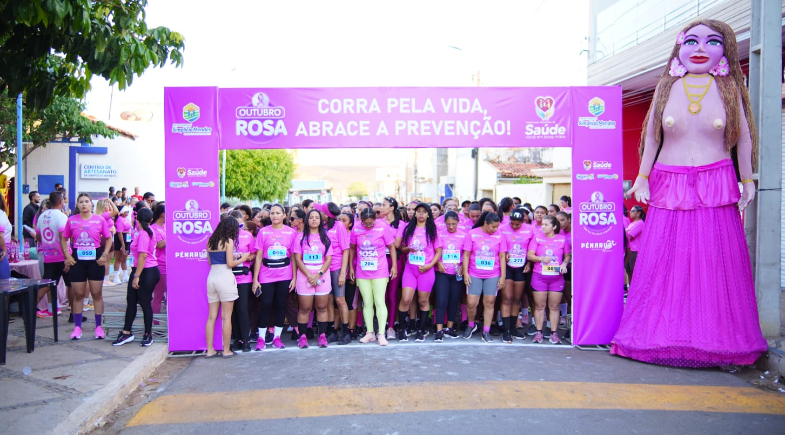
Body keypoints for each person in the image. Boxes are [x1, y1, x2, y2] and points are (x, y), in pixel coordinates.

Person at [613, 19, 767, 367]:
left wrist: (747, 179)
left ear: (725, 49)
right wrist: (641, 176)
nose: (700, 48)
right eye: (691, 41)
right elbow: (652, 136)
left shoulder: (729, 90)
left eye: (711, 42)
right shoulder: (666, 89)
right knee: (664, 263)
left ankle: (716, 340)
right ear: (679, 47)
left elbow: (743, 137)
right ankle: (658, 336)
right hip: (669, 180)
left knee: (714, 262)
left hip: (716, 179)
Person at [62, 193, 112, 340]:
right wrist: (68, 255)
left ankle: (98, 327)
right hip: (77, 261)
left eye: (86, 202)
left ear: (91, 204)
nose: (84, 204)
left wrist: (104, 255)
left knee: (96, 294)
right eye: (81, 202)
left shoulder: (100, 220)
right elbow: (64, 239)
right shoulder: (71, 221)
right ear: (77, 205)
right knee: (78, 294)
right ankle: (77, 327)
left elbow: (109, 238)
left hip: (96, 260)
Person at [112, 208, 161, 347]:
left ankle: (147, 334)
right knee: (131, 301)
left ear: (136, 219)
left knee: (145, 302)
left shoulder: (145, 234)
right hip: (142, 270)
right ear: (151, 220)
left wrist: (136, 276)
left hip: (146, 271)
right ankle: (126, 332)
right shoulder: (145, 232)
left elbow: (143, 256)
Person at [201, 215, 248, 358]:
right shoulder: (229, 241)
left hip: (212, 277)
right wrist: (243, 258)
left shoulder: (210, 240)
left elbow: (211, 261)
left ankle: (210, 350)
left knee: (211, 317)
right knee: (226, 317)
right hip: (225, 278)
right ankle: (226, 350)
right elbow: (229, 264)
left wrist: (233, 256)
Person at [348, 207, 396, 346]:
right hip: (362, 271)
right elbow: (352, 248)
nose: (368, 226)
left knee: (379, 301)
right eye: (366, 223)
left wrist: (394, 266)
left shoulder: (382, 227)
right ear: (361, 220)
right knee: (367, 302)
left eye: (371, 223)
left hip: (380, 271)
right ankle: (370, 333)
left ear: (375, 219)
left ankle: (381, 333)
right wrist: (351, 267)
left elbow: (392, 247)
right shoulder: (356, 229)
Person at [252, 204, 297, 351]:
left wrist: (294, 278)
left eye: (278, 213)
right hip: (266, 275)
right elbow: (258, 257)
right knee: (265, 305)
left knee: (280, 305)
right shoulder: (263, 232)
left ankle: (277, 337)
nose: (275, 216)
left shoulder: (291, 232)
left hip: (285, 275)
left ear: (284, 215)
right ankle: (261, 338)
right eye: (272, 213)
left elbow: (295, 258)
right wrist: (255, 279)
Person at [396, 202, 441, 342]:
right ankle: (402, 329)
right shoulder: (408, 228)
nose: (421, 214)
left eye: (424, 211)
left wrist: (430, 266)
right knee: (406, 299)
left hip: (426, 270)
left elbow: (438, 251)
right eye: (418, 211)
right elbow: (402, 249)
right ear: (415, 214)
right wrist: (408, 249)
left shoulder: (433, 230)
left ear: (428, 215)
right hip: (410, 269)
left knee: (423, 300)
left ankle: (421, 330)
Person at [462, 211, 507, 342]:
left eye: (497, 226)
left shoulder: (500, 236)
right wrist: (465, 273)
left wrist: (503, 276)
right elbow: (466, 255)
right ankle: (471, 325)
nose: (495, 229)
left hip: (493, 274)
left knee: (489, 302)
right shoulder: (473, 233)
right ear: (485, 223)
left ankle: (486, 331)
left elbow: (502, 256)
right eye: (493, 226)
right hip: (474, 274)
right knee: (471, 303)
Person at [527, 215, 571, 344]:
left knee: (554, 306)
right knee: (540, 306)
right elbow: (530, 255)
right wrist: (540, 259)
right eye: (543, 224)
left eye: (546, 224)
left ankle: (553, 333)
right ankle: (539, 332)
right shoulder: (537, 238)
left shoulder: (562, 239)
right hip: (539, 276)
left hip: (557, 278)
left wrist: (564, 264)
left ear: (554, 227)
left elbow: (567, 255)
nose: (543, 227)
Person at [293, 209, 333, 348]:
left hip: (322, 276)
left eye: (317, 217)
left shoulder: (325, 237)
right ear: (306, 220)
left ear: (321, 221)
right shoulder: (300, 237)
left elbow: (328, 259)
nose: (314, 220)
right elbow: (297, 258)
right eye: (311, 217)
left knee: (322, 307)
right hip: (305, 276)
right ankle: (302, 337)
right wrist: (310, 275)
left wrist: (318, 274)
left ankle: (322, 336)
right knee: (305, 308)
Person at [316, 202, 352, 344]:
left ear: (327, 214)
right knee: (328, 301)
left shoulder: (339, 227)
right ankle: (331, 331)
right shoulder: (321, 227)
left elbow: (346, 250)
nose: (320, 214)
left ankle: (346, 332)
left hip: (336, 268)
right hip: (323, 269)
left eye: (322, 212)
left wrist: (343, 273)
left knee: (340, 300)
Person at [499, 208, 534, 343]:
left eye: (517, 224)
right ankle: (506, 330)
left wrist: (529, 263)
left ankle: (513, 328)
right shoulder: (502, 228)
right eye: (512, 223)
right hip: (507, 266)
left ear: (523, 221)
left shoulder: (529, 229)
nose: (514, 226)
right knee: (507, 298)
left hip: (521, 267)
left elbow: (533, 248)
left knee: (517, 299)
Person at [224, 210, 255, 353]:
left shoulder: (247, 236)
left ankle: (246, 339)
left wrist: (246, 257)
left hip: (243, 277)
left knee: (242, 308)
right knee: (232, 310)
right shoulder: (224, 237)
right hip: (228, 276)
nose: (238, 227)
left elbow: (254, 253)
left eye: (241, 224)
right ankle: (237, 339)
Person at [434, 210, 467, 340]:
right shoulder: (439, 234)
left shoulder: (464, 235)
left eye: (453, 224)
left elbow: (466, 253)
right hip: (442, 272)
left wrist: (463, 268)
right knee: (441, 300)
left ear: (458, 222)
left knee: (454, 300)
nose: (451, 227)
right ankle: (439, 330)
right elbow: (435, 251)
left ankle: (450, 327)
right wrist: (437, 263)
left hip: (456, 273)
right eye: (448, 224)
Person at [150, 204, 168, 316]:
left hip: (171, 264)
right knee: (158, 295)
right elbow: (159, 245)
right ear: (163, 214)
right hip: (160, 265)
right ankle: (155, 324)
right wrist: (171, 236)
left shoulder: (166, 226)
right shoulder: (153, 228)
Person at [624, 206, 645, 283]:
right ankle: (630, 292)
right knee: (629, 272)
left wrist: (625, 233)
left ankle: (634, 291)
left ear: (638, 213)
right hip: (630, 250)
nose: (630, 212)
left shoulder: (640, 224)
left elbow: (629, 237)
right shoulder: (632, 224)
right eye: (630, 210)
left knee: (633, 272)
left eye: (633, 211)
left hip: (635, 251)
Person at [112, 207, 132, 284]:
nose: (127, 213)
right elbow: (119, 233)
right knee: (118, 258)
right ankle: (116, 276)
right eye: (126, 211)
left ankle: (125, 275)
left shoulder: (126, 219)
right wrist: (122, 244)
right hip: (121, 239)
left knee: (124, 258)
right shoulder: (119, 220)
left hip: (127, 238)